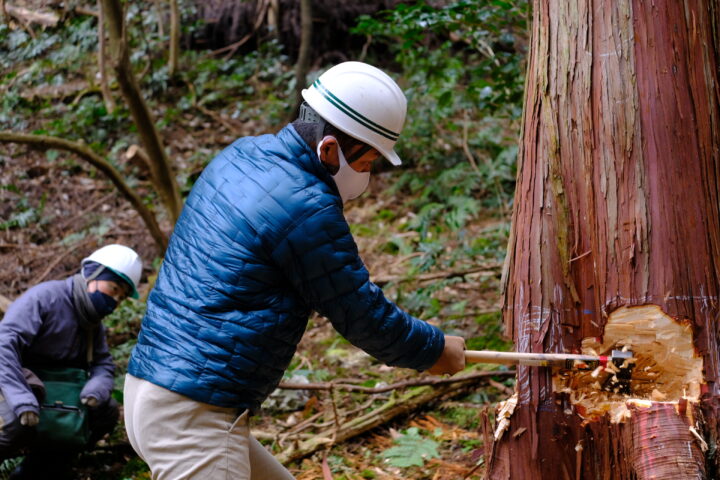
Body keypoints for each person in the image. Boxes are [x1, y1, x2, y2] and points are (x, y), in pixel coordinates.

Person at [124, 61, 467, 479]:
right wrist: (433, 349)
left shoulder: (242, 155)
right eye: (365, 161)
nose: (366, 175)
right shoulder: (305, 206)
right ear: (328, 150)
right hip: (193, 416)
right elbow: (362, 314)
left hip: (152, 389)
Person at [0, 244, 142, 479]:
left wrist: (97, 387)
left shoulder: (92, 322)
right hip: (16, 383)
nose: (115, 300)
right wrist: (20, 397)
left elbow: (103, 364)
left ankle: (41, 469)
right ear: (92, 275)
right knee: (13, 423)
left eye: (121, 297)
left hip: (57, 391)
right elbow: (4, 345)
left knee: (105, 413)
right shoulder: (45, 298)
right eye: (113, 288)